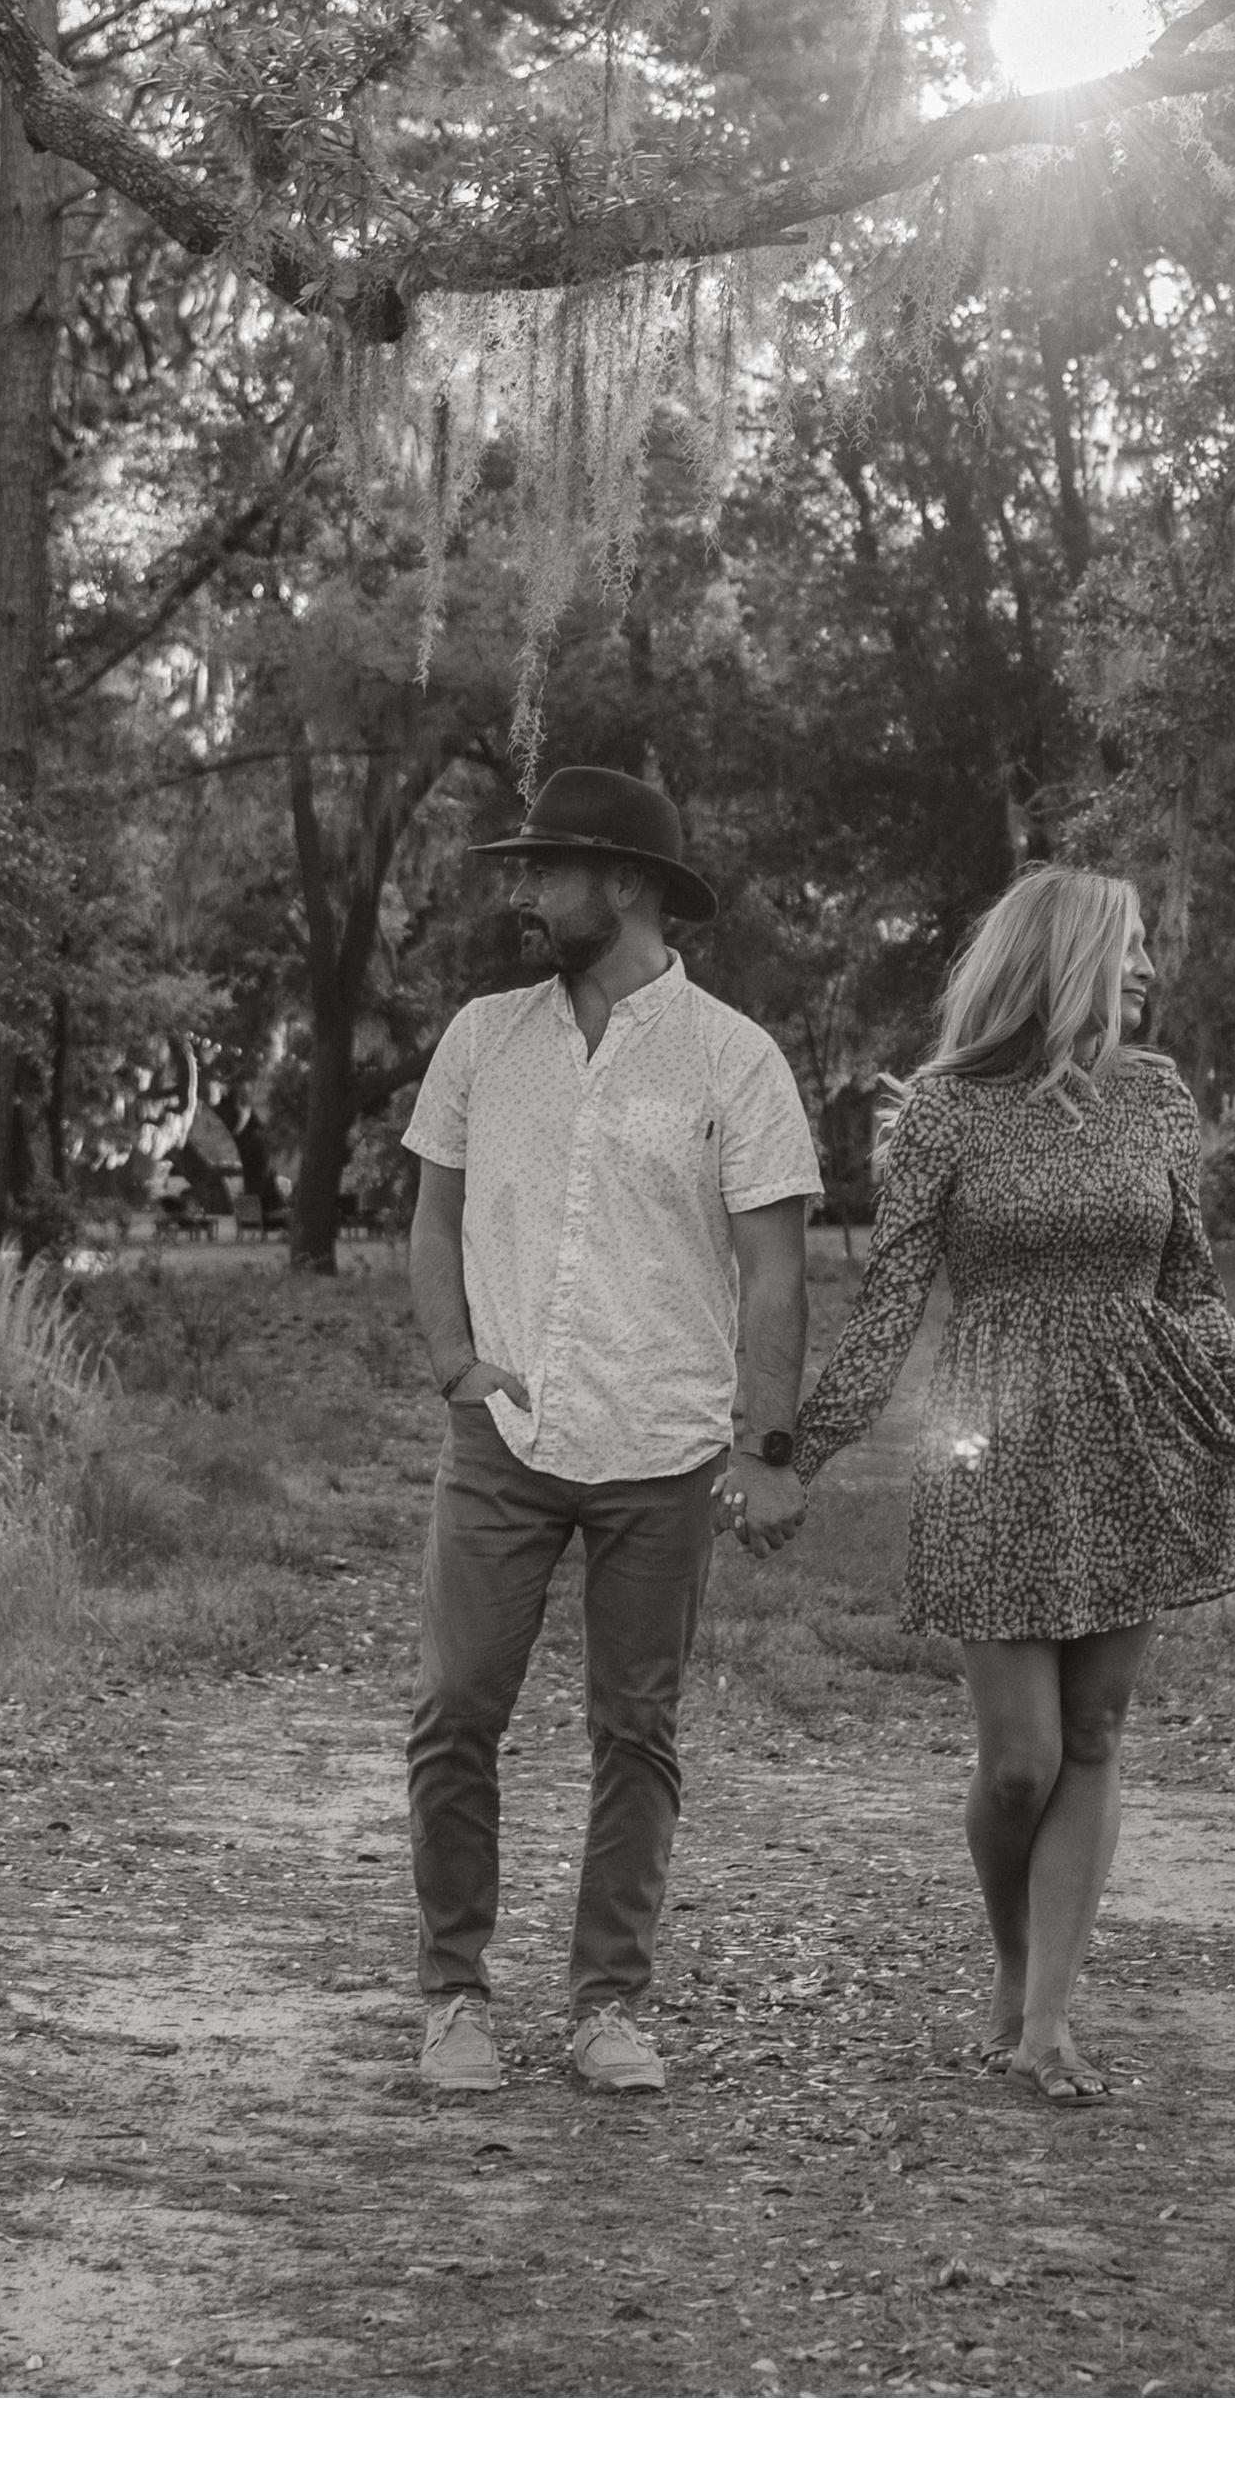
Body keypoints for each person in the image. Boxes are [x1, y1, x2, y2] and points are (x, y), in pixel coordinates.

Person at [789, 863, 1235, 2102]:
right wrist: (794, 1447)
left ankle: (1050, 2019)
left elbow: (1194, 1300)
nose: (1147, 972)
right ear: (1061, 956)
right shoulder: (950, 1110)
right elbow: (891, 1302)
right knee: (1019, 1760)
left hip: (1130, 1438)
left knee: (1098, 1735)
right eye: (1126, 950)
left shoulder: (1159, 1099)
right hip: (992, 1445)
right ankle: (1013, 1967)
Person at [397, 764, 820, 2099]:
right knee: (458, 1709)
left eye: (549, 868)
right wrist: (457, 1362)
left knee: (635, 1731)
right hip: (505, 1440)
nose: (525, 890)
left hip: (663, 1443)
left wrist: (765, 1446)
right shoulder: (481, 1038)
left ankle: (605, 2004)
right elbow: (433, 1216)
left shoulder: (734, 1061)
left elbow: (776, 1271)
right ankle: (455, 1995)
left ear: (624, 885)